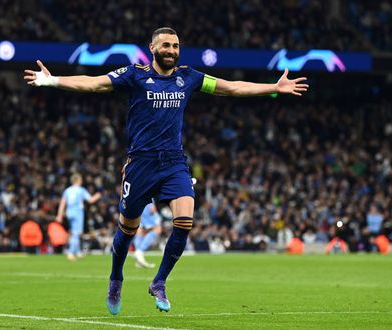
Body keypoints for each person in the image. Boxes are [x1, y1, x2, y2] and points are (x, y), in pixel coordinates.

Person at [24, 27, 308, 314]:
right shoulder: (134, 75)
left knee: (185, 221)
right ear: (152, 48)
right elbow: (94, 83)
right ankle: (116, 278)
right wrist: (52, 80)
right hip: (141, 164)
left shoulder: (189, 78)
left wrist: (273, 88)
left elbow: (232, 87)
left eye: (175, 45)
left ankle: (159, 281)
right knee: (128, 229)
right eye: (166, 45)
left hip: (174, 163)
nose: (171, 50)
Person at [56, 173, 101, 261]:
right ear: (78, 180)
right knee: (76, 233)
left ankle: (78, 252)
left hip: (69, 212)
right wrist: (98, 195)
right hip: (77, 213)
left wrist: (59, 215)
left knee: (74, 232)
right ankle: (70, 252)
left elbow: (62, 203)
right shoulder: (81, 190)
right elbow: (90, 200)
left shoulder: (67, 190)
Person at [133, 202, 162, 269]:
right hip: (146, 203)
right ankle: (140, 251)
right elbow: (152, 209)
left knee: (141, 230)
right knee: (157, 229)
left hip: (138, 204)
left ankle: (138, 260)